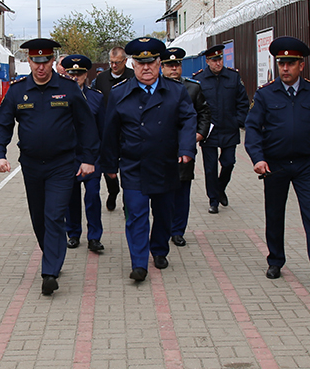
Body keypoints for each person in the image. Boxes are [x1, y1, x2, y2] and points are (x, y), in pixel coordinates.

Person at [0, 39, 100, 296]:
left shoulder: (68, 89)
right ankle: (53, 252)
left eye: (46, 61)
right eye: (35, 61)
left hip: (62, 164)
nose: (41, 67)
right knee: (39, 218)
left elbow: (86, 125)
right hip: (31, 166)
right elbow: (2, 123)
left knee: (53, 215)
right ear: (29, 61)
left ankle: (49, 272)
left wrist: (88, 159)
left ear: (54, 61)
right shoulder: (18, 91)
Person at [245, 36, 310, 289]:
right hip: (274, 165)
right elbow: (252, 129)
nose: (285, 68)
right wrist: (258, 158)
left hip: (306, 165)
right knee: (275, 214)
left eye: (290, 63)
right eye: (281, 63)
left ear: (301, 66)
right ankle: (275, 260)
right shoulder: (265, 94)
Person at [101, 37, 196, 282]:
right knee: (136, 214)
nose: (146, 68)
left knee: (164, 213)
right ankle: (139, 263)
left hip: (166, 164)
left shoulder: (176, 91)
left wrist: (186, 148)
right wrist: (109, 164)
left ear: (159, 63)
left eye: (151, 62)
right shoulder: (119, 93)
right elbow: (110, 131)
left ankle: (160, 249)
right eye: (140, 63)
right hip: (134, 165)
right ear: (133, 64)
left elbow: (188, 120)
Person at [160, 47, 212, 247]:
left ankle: (178, 230)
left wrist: (199, 134)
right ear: (162, 67)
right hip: (162, 148)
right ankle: (163, 227)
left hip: (185, 148)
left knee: (182, 191)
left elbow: (204, 113)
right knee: (164, 192)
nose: (174, 69)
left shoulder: (192, 87)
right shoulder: (155, 87)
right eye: (169, 65)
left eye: (177, 65)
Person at [193, 44, 249, 214]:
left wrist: (238, 121)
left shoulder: (233, 77)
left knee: (229, 162)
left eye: (220, 59)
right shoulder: (200, 80)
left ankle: (220, 188)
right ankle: (213, 200)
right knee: (210, 168)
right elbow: (195, 106)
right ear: (207, 61)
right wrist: (199, 128)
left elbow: (243, 102)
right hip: (209, 131)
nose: (218, 63)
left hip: (229, 128)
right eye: (214, 60)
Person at [60, 54, 105, 254]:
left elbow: (103, 129)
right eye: (71, 73)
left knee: (93, 195)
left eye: (79, 73)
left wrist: (103, 156)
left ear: (86, 74)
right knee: (71, 197)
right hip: (68, 155)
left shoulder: (96, 97)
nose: (75, 77)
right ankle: (73, 233)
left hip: (91, 156)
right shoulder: (58, 97)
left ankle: (94, 236)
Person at [91, 46, 129, 211]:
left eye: (117, 63)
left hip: (128, 130)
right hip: (107, 132)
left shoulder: (133, 77)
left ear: (125, 61)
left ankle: (128, 200)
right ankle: (113, 191)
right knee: (109, 168)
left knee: (128, 168)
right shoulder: (101, 79)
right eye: (111, 62)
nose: (114, 66)